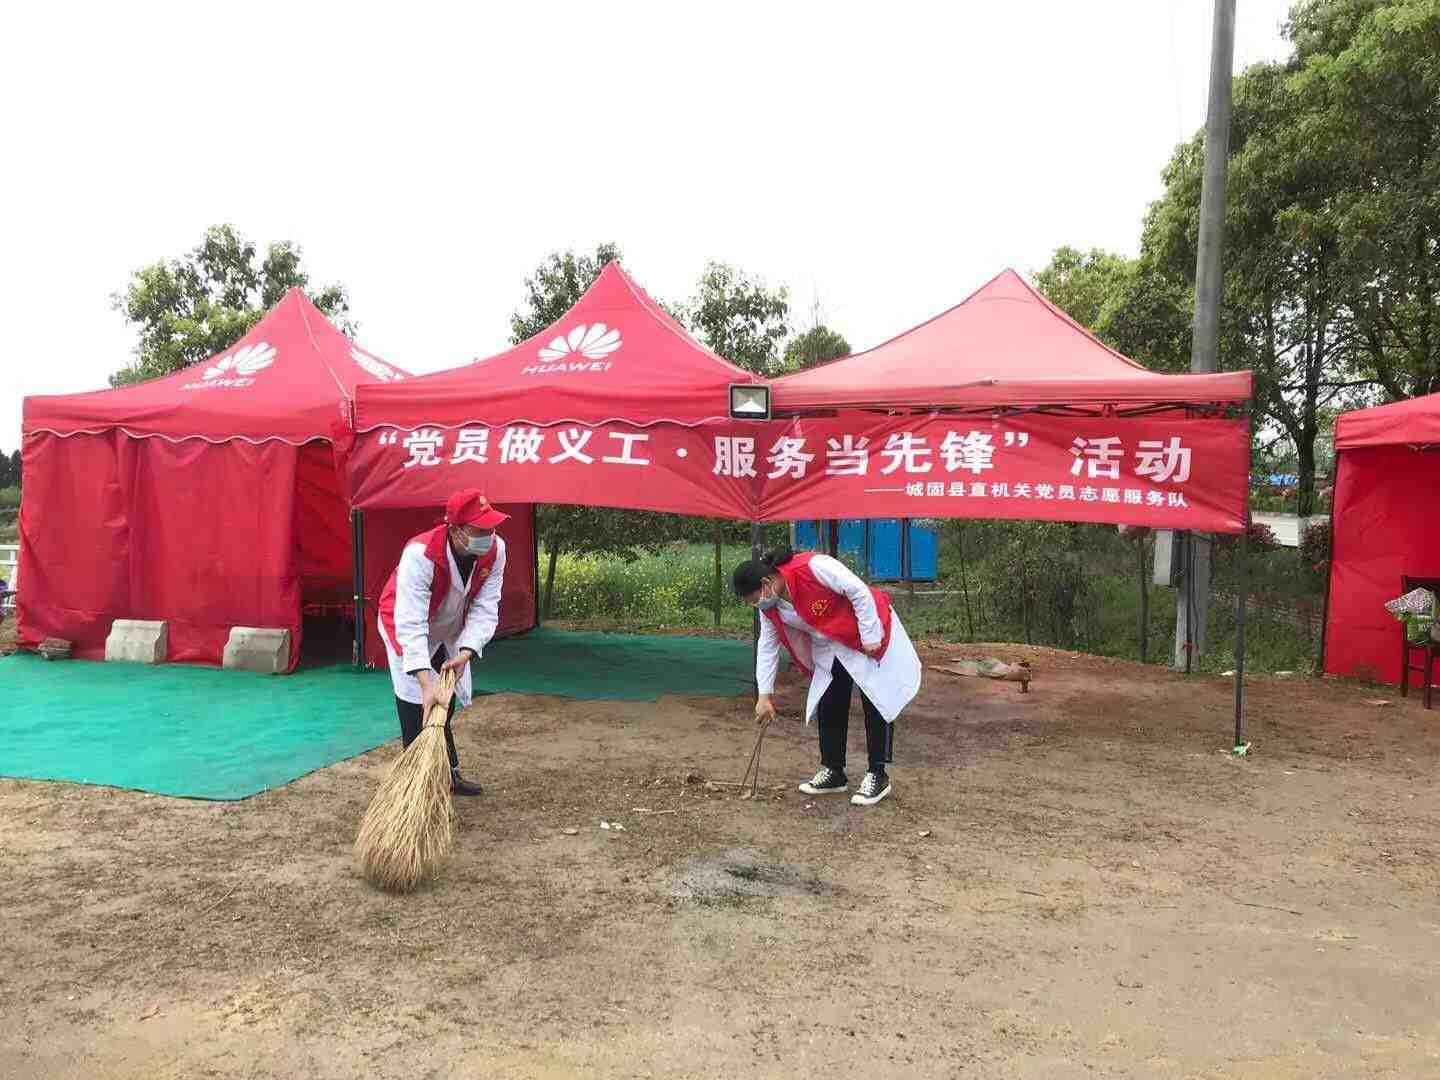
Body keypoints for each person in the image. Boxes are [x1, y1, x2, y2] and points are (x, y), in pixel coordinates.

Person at [733, 545, 922, 807]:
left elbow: (858, 591)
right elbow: (767, 647)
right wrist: (764, 695)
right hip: (831, 642)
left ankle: (878, 775)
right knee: (830, 700)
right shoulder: (770, 607)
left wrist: (869, 636)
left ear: (765, 583)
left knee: (877, 698)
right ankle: (834, 771)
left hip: (869, 631)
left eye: (754, 599)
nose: (757, 605)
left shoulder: (813, 567)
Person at [376, 488, 508, 796]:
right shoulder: (420, 554)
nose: (488, 535)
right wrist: (425, 681)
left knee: (444, 705)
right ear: (455, 530)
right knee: (416, 708)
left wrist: (466, 652)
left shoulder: (496, 550)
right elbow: (410, 622)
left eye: (491, 527)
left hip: (448, 629)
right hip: (406, 626)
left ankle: (449, 773)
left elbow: (486, 607)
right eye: (480, 530)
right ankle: (416, 787)